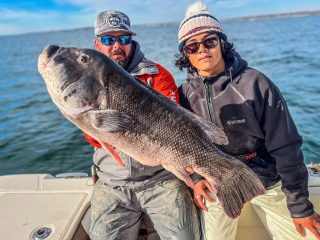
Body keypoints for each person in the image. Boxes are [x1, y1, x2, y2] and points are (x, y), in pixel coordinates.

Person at [176, 2, 320, 240]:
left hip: (267, 180)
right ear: (186, 54)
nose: (202, 50)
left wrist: (300, 206)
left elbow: (286, 146)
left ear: (221, 43)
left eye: (209, 41)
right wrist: (196, 178)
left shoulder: (255, 83)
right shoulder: (183, 95)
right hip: (217, 184)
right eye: (192, 46)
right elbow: (181, 147)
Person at [82, 10, 200, 240]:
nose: (117, 45)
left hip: (160, 179)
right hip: (111, 182)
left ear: (131, 40)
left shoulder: (158, 76)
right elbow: (94, 138)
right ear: (97, 44)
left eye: (123, 39)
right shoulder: (86, 81)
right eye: (108, 39)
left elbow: (174, 131)